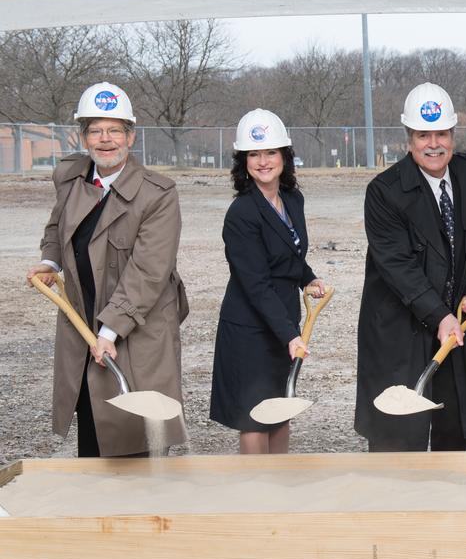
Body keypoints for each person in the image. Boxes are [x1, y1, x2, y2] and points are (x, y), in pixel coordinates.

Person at [26, 82, 187, 456]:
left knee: (140, 436)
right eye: (95, 130)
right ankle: (100, 512)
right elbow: (57, 226)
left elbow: (149, 270)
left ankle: (147, 512)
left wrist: (111, 330)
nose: (105, 139)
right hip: (85, 326)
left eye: (115, 130)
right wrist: (50, 261)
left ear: (130, 137)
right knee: (95, 429)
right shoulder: (71, 178)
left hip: (139, 329)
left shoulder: (158, 194)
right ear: (84, 137)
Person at [355, 83, 466, 452]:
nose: (433, 144)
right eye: (423, 135)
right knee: (398, 440)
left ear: (453, 136)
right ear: (409, 140)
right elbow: (398, 266)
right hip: (401, 333)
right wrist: (439, 315)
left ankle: (452, 509)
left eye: (441, 134)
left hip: (456, 328)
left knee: (454, 432)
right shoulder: (385, 192)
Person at [209, 109, 326, 454]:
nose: (263, 162)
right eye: (254, 154)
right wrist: (291, 335)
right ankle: (254, 496)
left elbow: (290, 253)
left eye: (270, 152)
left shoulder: (292, 200)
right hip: (250, 330)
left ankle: (280, 491)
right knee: (255, 417)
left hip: (282, 321)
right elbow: (255, 283)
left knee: (280, 412)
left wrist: (308, 276)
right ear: (243, 161)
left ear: (284, 157)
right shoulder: (241, 214)